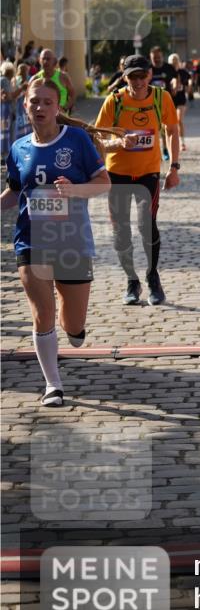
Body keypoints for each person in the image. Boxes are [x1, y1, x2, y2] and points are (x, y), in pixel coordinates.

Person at [1, 78, 110, 406]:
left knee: (72, 325)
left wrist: (75, 190)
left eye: (47, 102)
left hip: (72, 241)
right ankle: (53, 384)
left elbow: (103, 183)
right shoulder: (19, 148)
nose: (40, 107)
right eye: (34, 102)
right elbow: (13, 192)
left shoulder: (76, 140)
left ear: (58, 107)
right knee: (41, 313)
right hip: (31, 240)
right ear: (25, 106)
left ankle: (73, 330)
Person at [95, 54, 180, 306]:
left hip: (148, 173)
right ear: (124, 77)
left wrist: (174, 167)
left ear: (150, 75)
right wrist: (118, 142)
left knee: (147, 225)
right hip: (118, 174)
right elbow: (97, 139)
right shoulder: (115, 101)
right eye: (133, 76)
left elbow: (172, 130)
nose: (138, 81)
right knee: (121, 232)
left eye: (142, 75)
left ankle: (153, 277)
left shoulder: (160, 97)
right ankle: (132, 282)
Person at [149, 47, 177, 161]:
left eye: (158, 57)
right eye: (154, 58)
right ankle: (155, 150)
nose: (156, 59)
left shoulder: (168, 68)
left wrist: (175, 84)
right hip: (150, 104)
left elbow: (175, 77)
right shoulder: (147, 70)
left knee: (167, 128)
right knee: (155, 129)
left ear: (162, 57)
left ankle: (165, 149)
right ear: (150, 58)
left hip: (166, 103)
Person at [33, 48, 75, 113]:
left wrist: (64, 108)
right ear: (39, 61)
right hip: (42, 119)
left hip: (61, 119)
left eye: (48, 59)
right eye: (43, 59)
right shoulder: (35, 79)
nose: (45, 61)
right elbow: (27, 99)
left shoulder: (63, 77)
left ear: (54, 61)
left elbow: (72, 95)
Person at [168, 53, 192, 151]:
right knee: (169, 123)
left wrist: (190, 85)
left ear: (178, 62)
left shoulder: (182, 72)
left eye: (175, 61)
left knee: (179, 120)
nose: (174, 63)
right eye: (172, 61)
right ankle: (171, 142)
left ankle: (182, 142)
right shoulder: (168, 72)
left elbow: (189, 79)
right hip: (169, 100)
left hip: (181, 99)